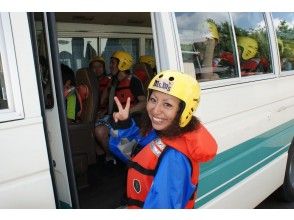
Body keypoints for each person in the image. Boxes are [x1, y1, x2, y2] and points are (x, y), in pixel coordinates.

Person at [109, 70, 218, 208]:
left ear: (183, 111)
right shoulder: (160, 132)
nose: (155, 110)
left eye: (167, 104)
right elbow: (134, 153)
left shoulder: (174, 156)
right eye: (153, 100)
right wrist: (124, 124)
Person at [94, 50, 146, 165]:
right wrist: (109, 86)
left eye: (113, 63)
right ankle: (111, 156)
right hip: (114, 116)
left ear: (122, 64)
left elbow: (143, 103)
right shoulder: (113, 82)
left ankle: (114, 156)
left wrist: (127, 113)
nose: (110, 66)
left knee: (100, 131)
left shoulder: (133, 81)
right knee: (94, 129)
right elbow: (103, 101)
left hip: (130, 119)